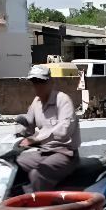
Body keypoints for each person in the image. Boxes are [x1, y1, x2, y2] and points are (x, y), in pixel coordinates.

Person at [16, 64, 81, 192]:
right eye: (35, 81)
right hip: (43, 152)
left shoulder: (62, 100)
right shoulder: (36, 102)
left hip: (64, 153)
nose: (38, 85)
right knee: (14, 164)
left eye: (41, 81)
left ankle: (38, 209)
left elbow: (64, 128)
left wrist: (37, 139)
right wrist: (19, 132)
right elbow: (28, 124)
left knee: (38, 174)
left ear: (50, 81)